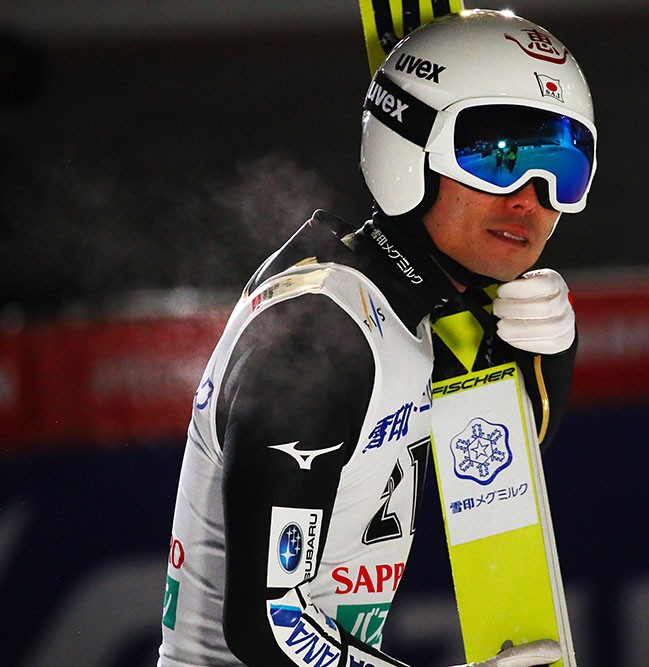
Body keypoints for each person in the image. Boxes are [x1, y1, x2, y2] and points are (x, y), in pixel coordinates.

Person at [157, 9, 597, 667]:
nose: (530, 200)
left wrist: (549, 354)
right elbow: (265, 623)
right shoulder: (321, 332)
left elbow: (494, 458)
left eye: (563, 166)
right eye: (497, 157)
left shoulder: (399, 309)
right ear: (408, 150)